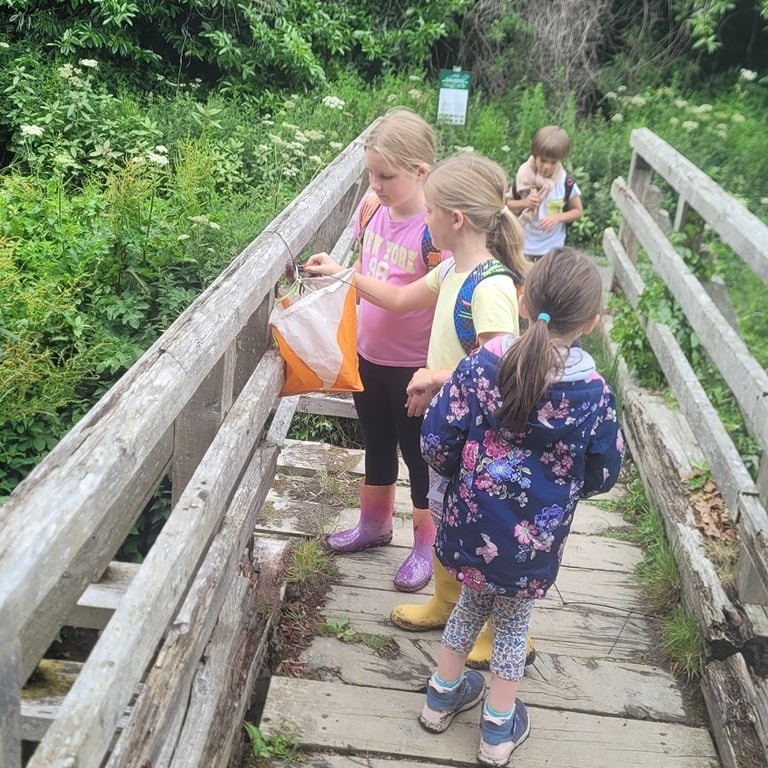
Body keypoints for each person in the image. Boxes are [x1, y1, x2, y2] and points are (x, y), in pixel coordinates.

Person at [305, 151, 532, 668]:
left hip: (482, 436)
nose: (424, 222)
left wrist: (435, 378)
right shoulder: (455, 267)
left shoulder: (491, 287)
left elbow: (504, 369)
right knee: (450, 513)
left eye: (430, 212)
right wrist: (344, 275)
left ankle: (501, 630)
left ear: (456, 219)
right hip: (451, 423)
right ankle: (446, 604)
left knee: (481, 529)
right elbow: (401, 299)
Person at [416, 247, 625, 767]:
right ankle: (496, 728)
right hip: (533, 540)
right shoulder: (593, 393)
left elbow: (437, 440)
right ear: (593, 322)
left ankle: (441, 697)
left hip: (469, 523)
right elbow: (603, 471)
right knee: (511, 625)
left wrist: (456, 476)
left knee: (469, 604)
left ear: (523, 299)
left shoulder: (479, 365)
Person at [322, 107, 446, 593]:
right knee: (374, 440)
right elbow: (362, 264)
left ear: (421, 171)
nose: (375, 185)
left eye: (386, 176)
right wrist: (335, 270)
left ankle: (425, 545)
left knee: (418, 456)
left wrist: (434, 372)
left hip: (412, 365)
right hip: (369, 351)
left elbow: (444, 298)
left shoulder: (435, 232)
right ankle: (374, 525)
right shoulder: (371, 208)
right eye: (371, 174)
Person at [506, 125, 583, 261]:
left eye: (553, 162)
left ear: (561, 159)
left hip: (552, 247)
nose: (547, 166)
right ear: (535, 156)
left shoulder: (565, 182)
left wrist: (557, 218)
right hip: (523, 245)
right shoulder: (524, 177)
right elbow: (509, 204)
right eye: (543, 160)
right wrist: (525, 202)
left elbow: (577, 211)